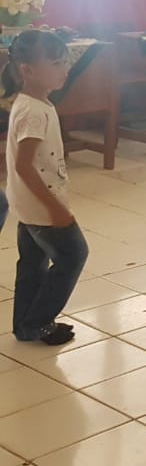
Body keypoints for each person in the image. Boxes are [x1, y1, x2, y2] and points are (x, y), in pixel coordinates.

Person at [4, 31, 87, 346]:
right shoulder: (34, 112)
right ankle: (39, 321)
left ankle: (25, 326)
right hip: (42, 207)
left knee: (32, 265)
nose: (64, 70)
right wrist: (54, 207)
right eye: (55, 63)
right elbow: (24, 165)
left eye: (65, 62)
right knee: (73, 255)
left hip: (27, 205)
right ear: (27, 70)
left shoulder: (32, 103)